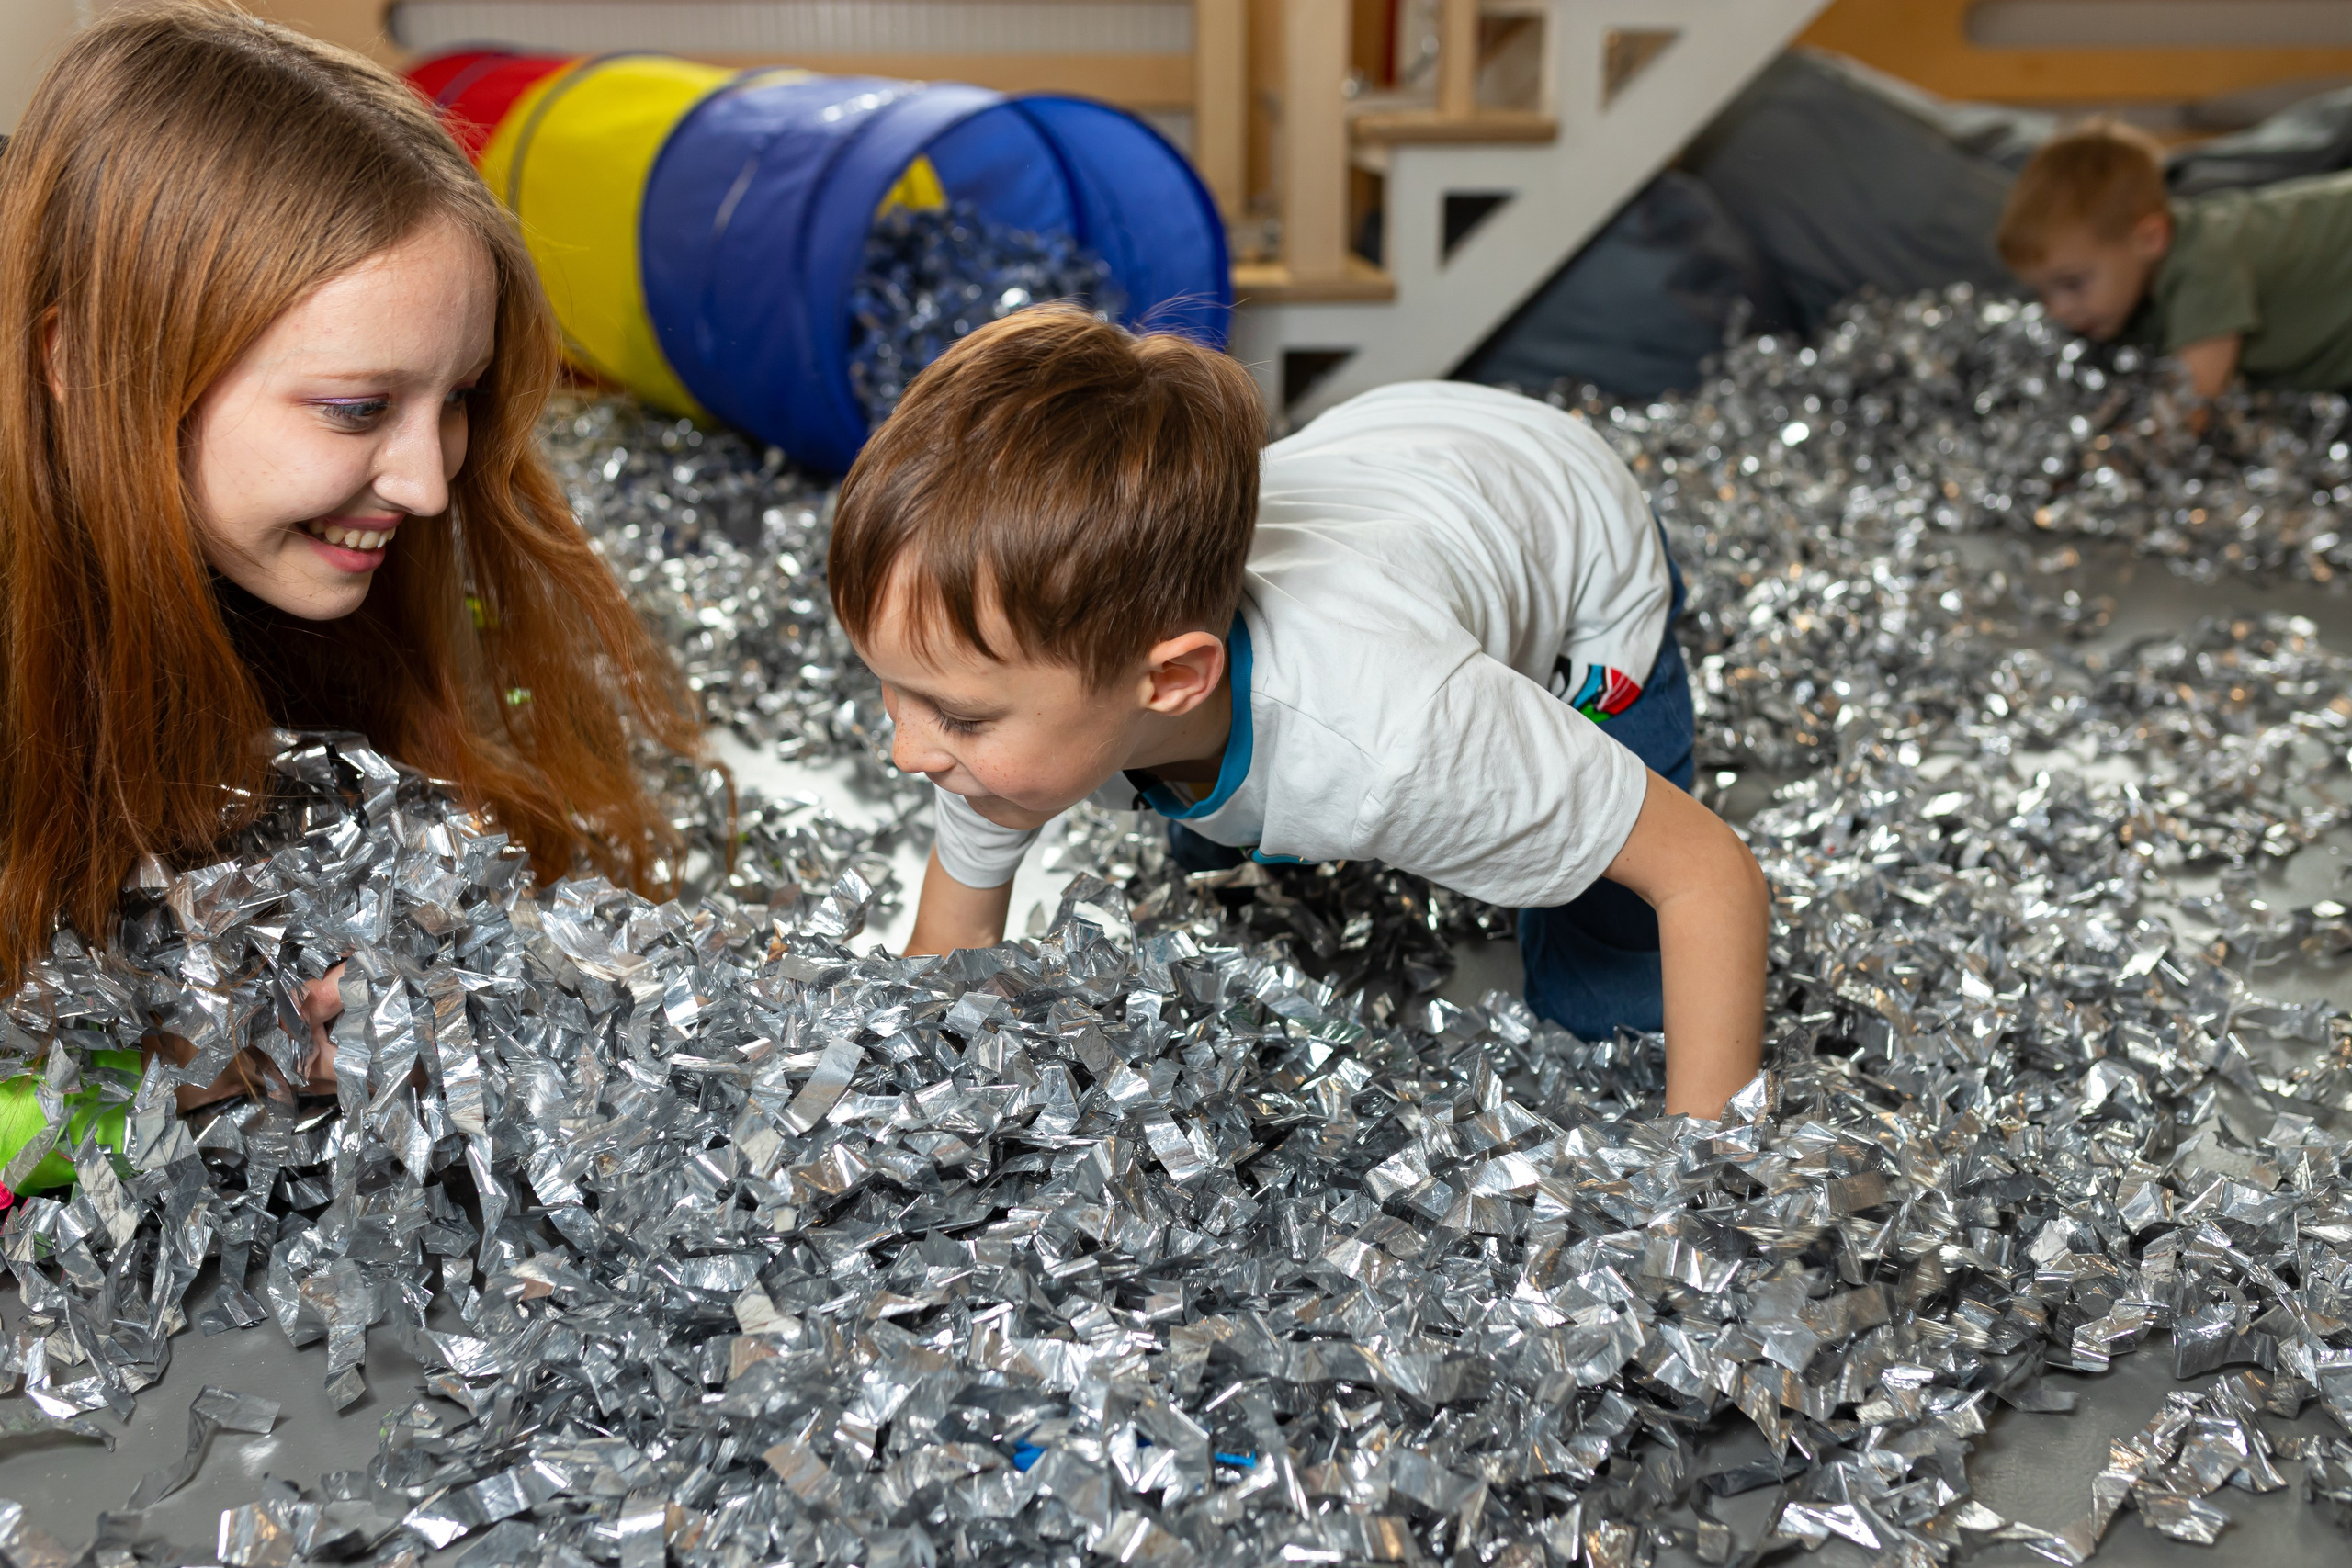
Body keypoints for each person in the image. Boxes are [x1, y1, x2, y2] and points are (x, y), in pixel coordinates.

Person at [0, 2, 705, 1169]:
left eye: (458, 397)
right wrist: (191, 1070)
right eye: (356, 408)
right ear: (80, 365)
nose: (427, 484)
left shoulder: (312, 567)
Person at [828, 307, 1769, 1118]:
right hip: (1381, 458)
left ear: (1171, 678)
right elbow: (949, 951)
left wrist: (1706, 1169)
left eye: (957, 718)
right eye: (892, 687)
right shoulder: (989, 690)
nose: (906, 749)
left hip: (1563, 520)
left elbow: (1708, 876)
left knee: (1608, 1000)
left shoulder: (1401, 732)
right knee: (1225, 888)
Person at [1996, 118, 2352, 400]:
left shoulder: (2204, 264)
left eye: (2073, 283)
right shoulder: (2134, 290)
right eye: (2042, 292)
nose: (2058, 311)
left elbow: (2191, 404)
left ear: (2150, 239)